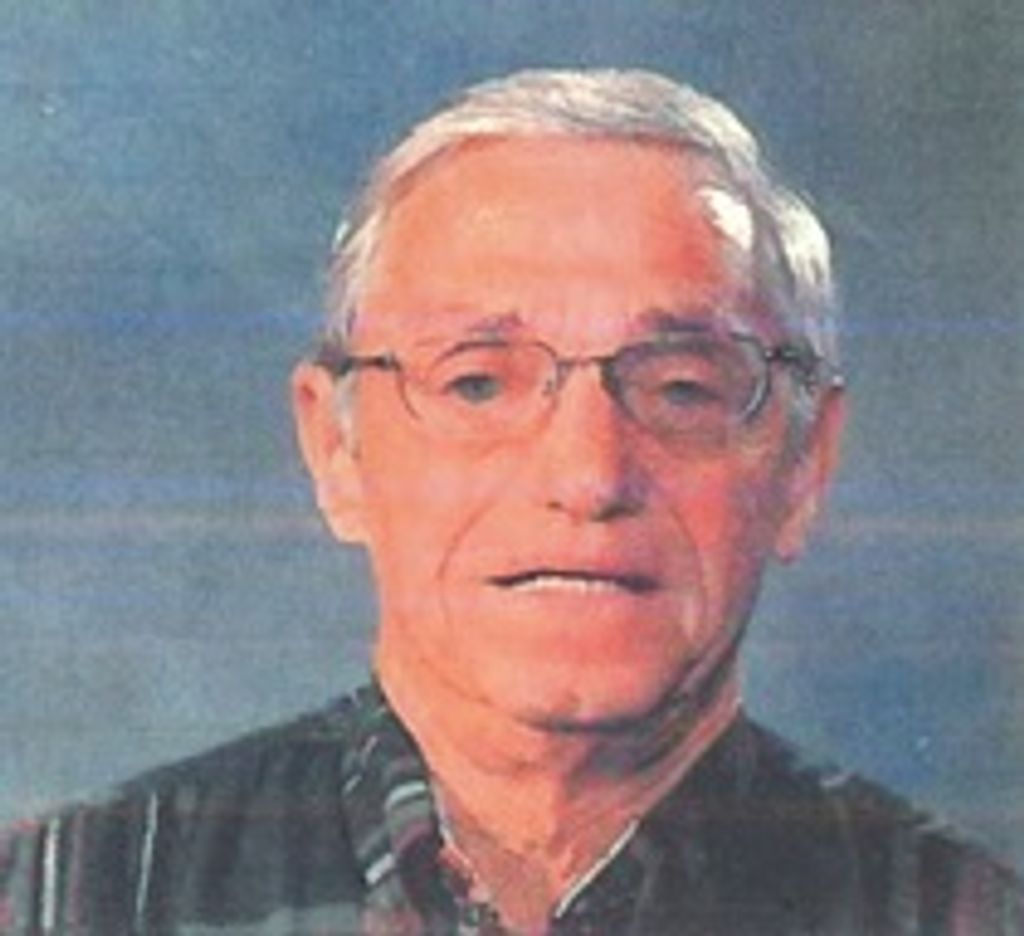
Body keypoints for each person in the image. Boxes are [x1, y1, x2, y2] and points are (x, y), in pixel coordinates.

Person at [1, 68, 1020, 935]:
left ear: (804, 463)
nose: (587, 477)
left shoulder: (967, 917)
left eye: (681, 390)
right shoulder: (61, 901)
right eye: (478, 382)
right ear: (335, 447)